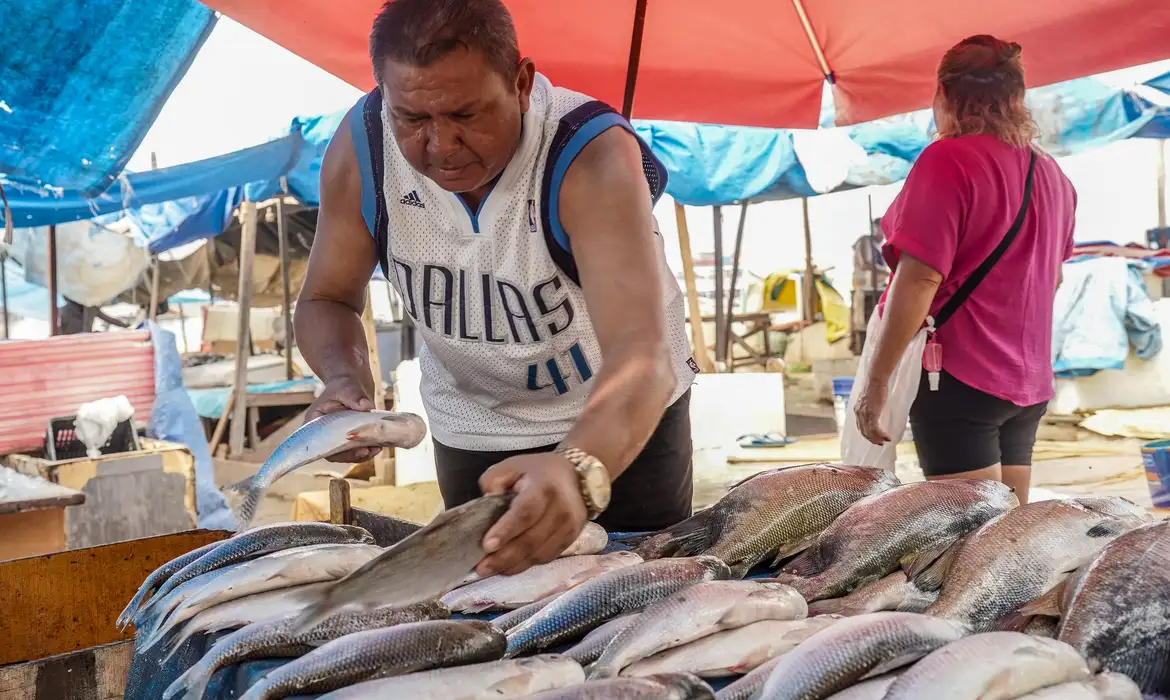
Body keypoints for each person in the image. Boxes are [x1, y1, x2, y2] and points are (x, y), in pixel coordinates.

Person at [295, 0, 699, 577]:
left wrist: (577, 468)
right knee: (486, 602)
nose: (441, 145)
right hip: (474, 425)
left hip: (619, 421)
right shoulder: (364, 149)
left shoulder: (587, 152)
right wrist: (343, 379)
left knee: (637, 588)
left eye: (466, 114)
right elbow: (326, 298)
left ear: (522, 83)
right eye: (412, 119)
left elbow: (641, 356)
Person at [853, 35, 1076, 505]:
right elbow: (1051, 279)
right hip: (1027, 383)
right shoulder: (1053, 175)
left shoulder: (948, 159)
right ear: (1017, 96)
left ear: (944, 93)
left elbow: (920, 278)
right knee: (1008, 530)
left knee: (968, 532)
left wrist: (877, 381)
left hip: (959, 377)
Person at [850, 218, 890, 354]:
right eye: (881, 230)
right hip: (864, 286)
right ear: (875, 228)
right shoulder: (865, 241)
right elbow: (866, 263)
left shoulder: (880, 246)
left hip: (878, 286)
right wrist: (886, 271)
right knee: (863, 318)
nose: (883, 234)